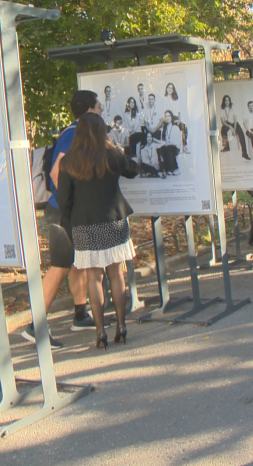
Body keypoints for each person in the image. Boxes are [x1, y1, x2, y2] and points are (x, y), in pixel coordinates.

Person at [21, 91, 104, 349]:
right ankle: (35, 326)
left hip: (66, 210)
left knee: (76, 262)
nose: (101, 110)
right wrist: (69, 203)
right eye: (99, 106)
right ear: (89, 110)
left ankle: (80, 314)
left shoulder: (78, 132)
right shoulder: (73, 134)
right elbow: (57, 171)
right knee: (59, 267)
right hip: (62, 212)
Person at [56, 113, 140, 350]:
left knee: (94, 278)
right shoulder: (112, 156)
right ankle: (121, 326)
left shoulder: (68, 162)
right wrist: (117, 148)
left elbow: (64, 200)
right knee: (117, 275)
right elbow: (133, 169)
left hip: (85, 225)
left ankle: (100, 331)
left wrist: (74, 219)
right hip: (114, 222)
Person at [157, 110, 182, 176]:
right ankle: (167, 168)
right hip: (167, 146)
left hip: (175, 147)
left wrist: (170, 143)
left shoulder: (175, 127)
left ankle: (175, 168)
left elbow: (178, 142)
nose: (167, 118)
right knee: (161, 149)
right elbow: (163, 141)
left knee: (169, 148)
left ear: (171, 117)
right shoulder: (164, 129)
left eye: (169, 116)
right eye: (166, 116)